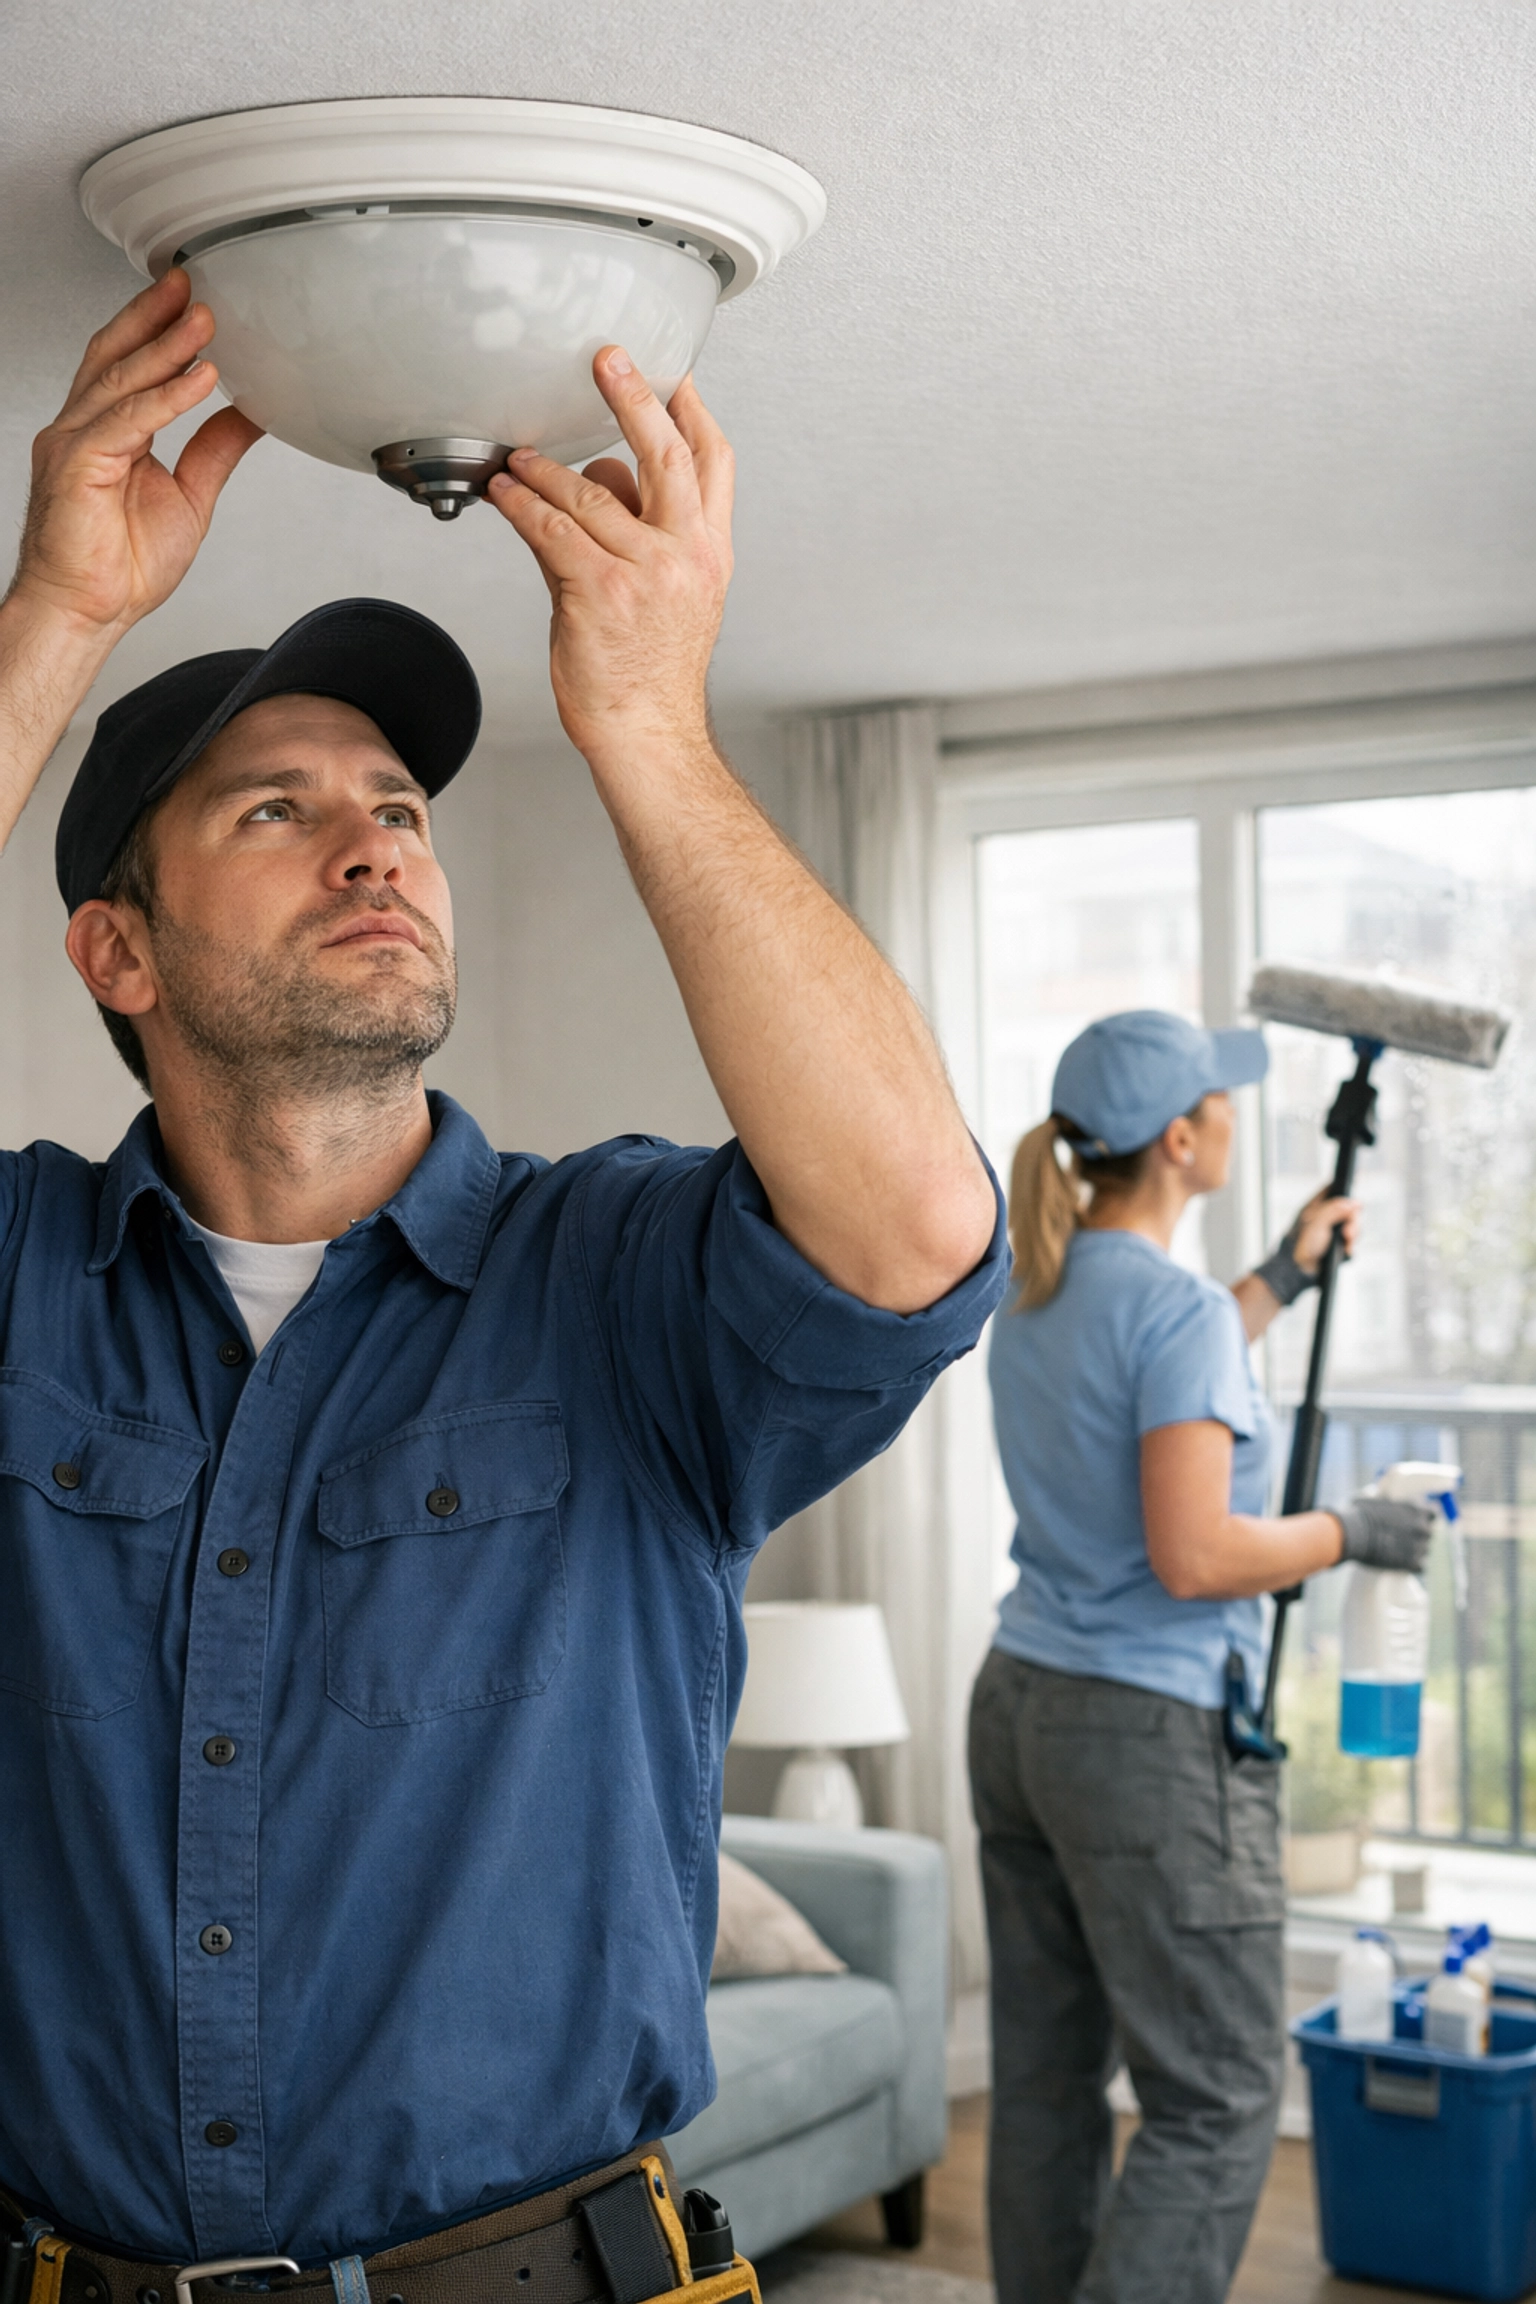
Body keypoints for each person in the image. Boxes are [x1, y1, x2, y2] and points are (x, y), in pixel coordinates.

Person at [0, 270, 1006, 2299]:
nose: (374, 850)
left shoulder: (610, 1278)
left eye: (396, 812)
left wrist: (641, 718)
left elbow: (915, 1227)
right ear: (121, 955)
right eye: (274, 812)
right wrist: (59, 617)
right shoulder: (23, 1280)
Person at [967, 1010, 1435, 2304]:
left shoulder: (1041, 1290)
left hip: (1020, 1708)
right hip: (1143, 1736)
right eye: (1221, 1103)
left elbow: (1168, 1367)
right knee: (1220, 2093)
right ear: (1182, 1141)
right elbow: (1196, 1555)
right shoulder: (1170, 1314)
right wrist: (1352, 1530)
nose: (1233, 1116)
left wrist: (1280, 1276)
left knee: (1052, 2079)